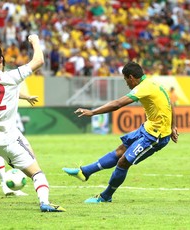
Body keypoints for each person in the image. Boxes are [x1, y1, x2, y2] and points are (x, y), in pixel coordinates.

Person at [0, 35, 65, 212]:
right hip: (8, 142)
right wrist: (35, 40)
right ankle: (44, 202)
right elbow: (38, 60)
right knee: (37, 173)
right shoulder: (12, 77)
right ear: (1, 60)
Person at [63, 61, 179, 203]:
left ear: (131, 77)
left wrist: (92, 112)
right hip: (148, 128)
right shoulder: (153, 84)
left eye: (125, 80)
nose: (126, 83)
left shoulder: (143, 87)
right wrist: (173, 126)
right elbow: (170, 103)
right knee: (120, 151)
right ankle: (85, 172)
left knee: (123, 161)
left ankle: (106, 196)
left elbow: (117, 104)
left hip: (156, 136)